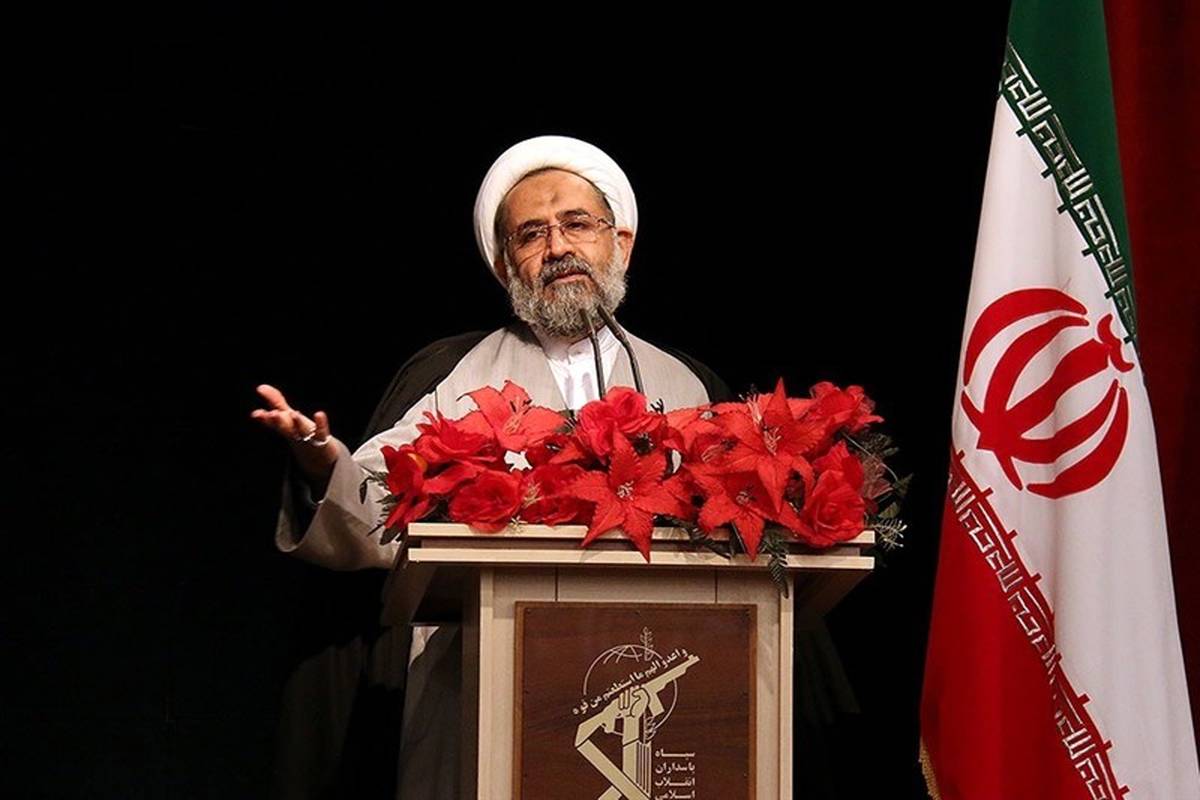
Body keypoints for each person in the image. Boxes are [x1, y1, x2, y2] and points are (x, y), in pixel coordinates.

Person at [252, 135, 731, 798]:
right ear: (507, 269)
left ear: (620, 243)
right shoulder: (457, 374)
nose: (557, 247)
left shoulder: (685, 385)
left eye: (577, 224)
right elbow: (378, 504)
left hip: (653, 677)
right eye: (531, 234)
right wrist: (320, 462)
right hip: (481, 683)